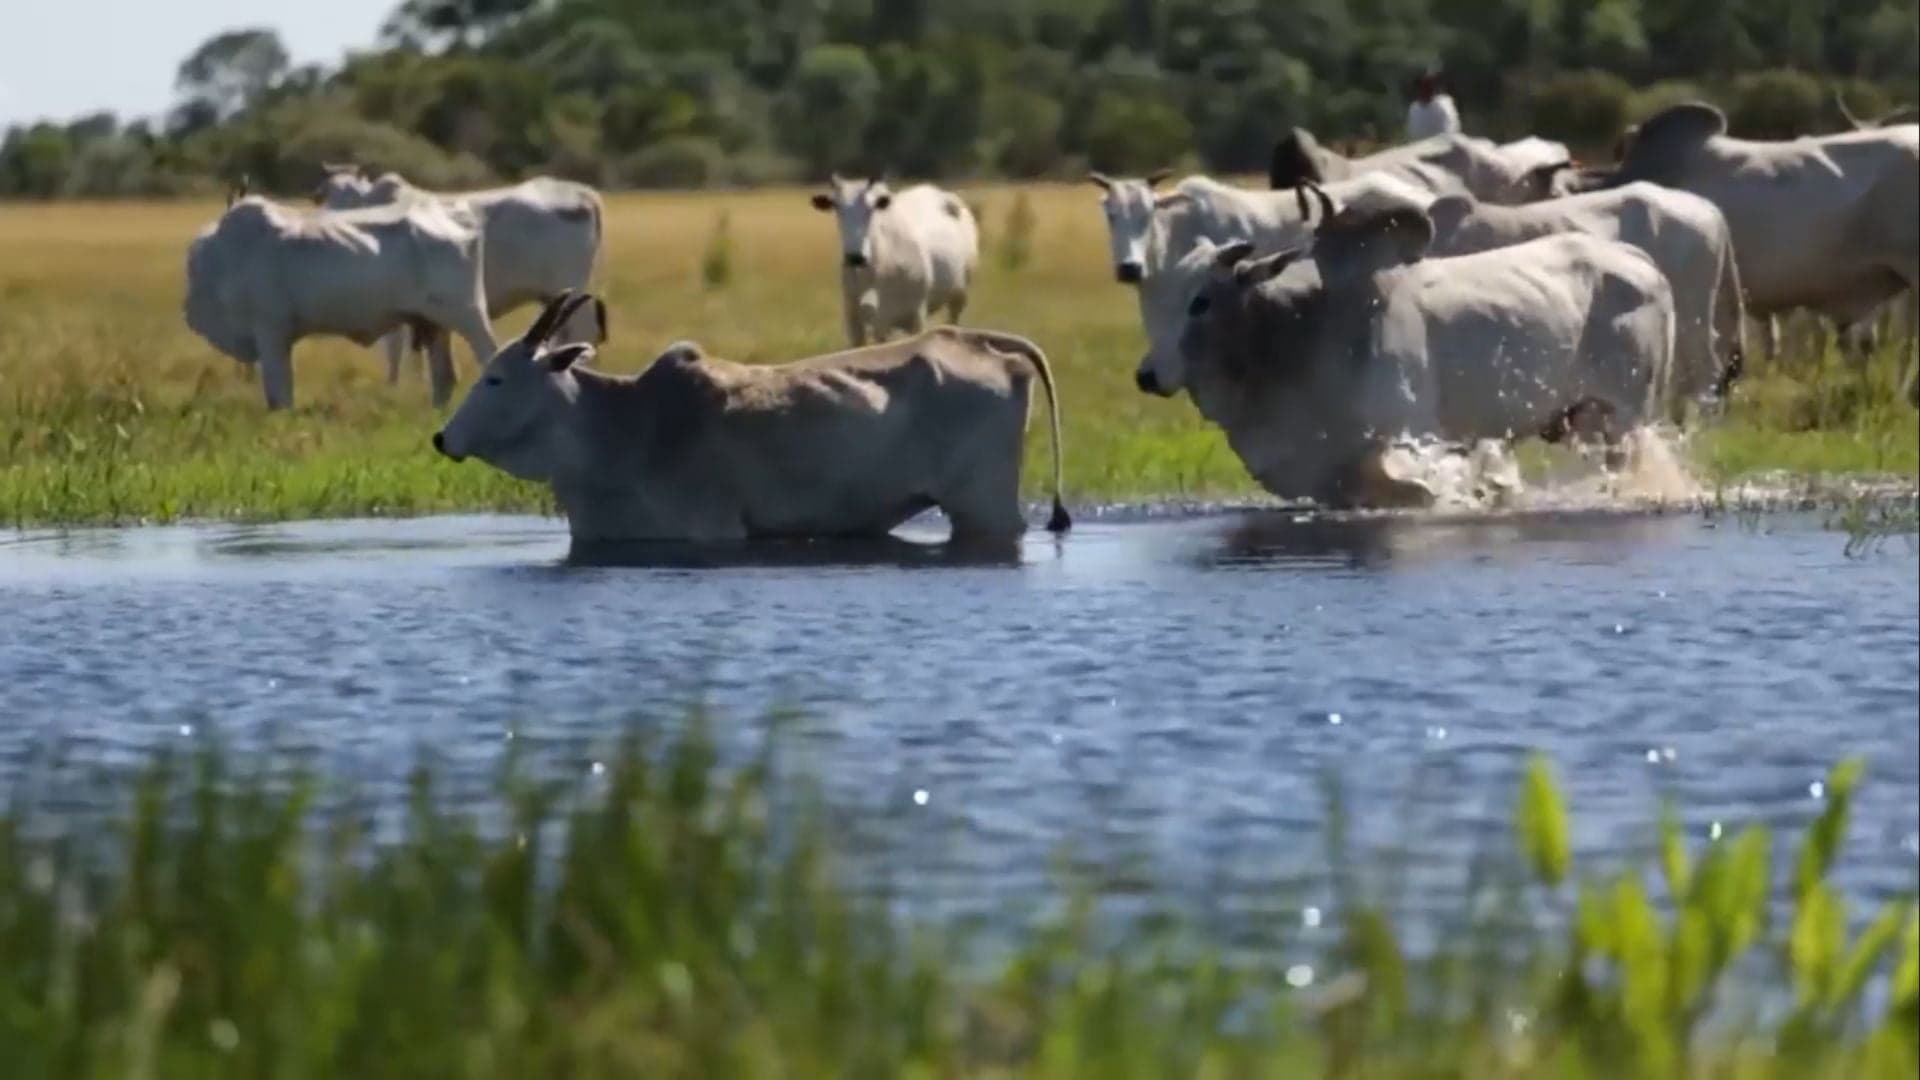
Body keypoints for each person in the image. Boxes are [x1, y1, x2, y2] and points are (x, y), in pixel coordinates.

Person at [1406, 70, 1460, 140]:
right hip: (1423, 146)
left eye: (1428, 86)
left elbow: (1452, 128)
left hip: (1443, 145)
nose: (1426, 89)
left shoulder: (1444, 103)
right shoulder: (1414, 108)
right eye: (1424, 86)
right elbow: (1413, 132)